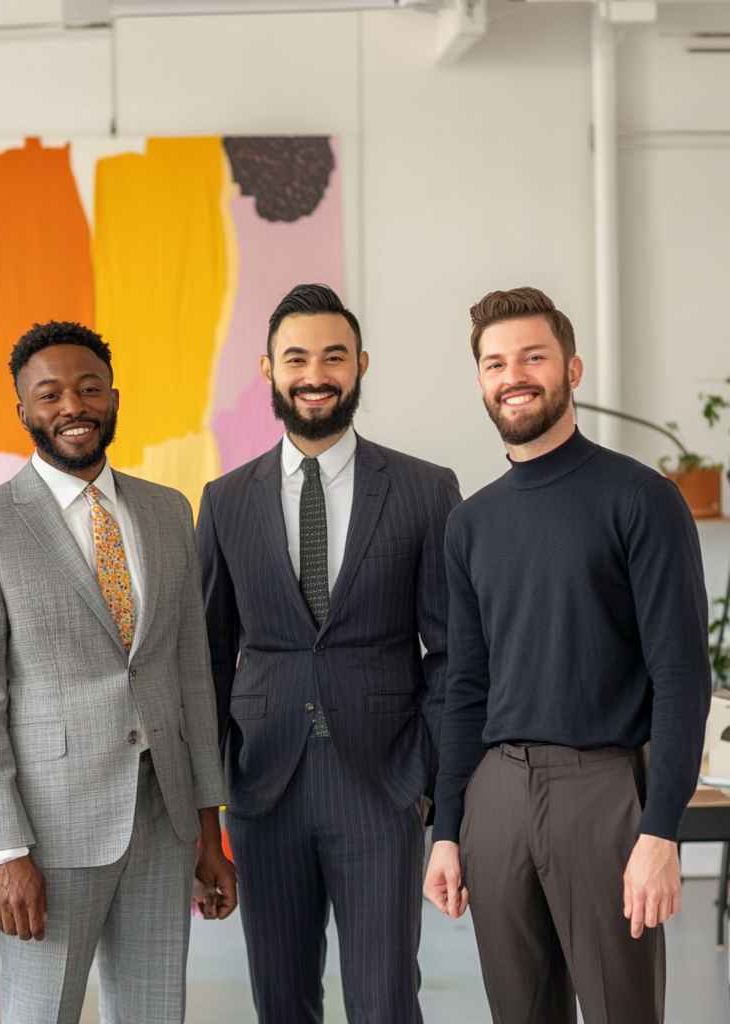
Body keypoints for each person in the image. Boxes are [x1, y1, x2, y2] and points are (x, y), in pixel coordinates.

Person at [0, 320, 236, 1024]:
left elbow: (192, 674)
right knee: (43, 1013)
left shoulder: (167, 512)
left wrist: (208, 829)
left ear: (113, 398)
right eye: (50, 394)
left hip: (165, 819)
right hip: (50, 830)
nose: (73, 405)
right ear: (23, 412)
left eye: (88, 387)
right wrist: (5, 853)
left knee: (156, 1012)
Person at [424, 287, 711, 1024]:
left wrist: (660, 830)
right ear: (482, 380)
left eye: (532, 357)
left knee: (623, 1012)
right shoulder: (471, 524)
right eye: (495, 362)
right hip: (496, 797)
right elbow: (466, 687)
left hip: (605, 793)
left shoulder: (642, 499)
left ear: (572, 370)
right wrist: (449, 830)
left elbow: (681, 675)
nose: (512, 374)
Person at [197, 283, 461, 1023]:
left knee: (384, 1000)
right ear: (268, 370)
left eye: (334, 356)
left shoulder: (424, 490)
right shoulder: (224, 500)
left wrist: (430, 777)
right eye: (297, 357)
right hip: (264, 785)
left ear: (361, 365)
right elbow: (211, 658)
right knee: (281, 1000)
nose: (316, 373)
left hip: (383, 783)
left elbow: (449, 652)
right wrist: (209, 800)